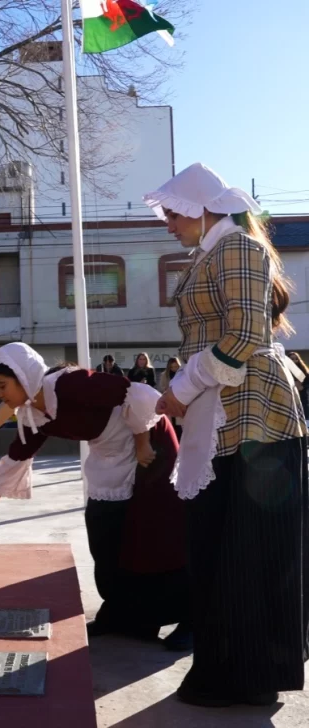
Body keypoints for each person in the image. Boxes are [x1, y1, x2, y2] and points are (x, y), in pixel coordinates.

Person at [145, 162, 309, 707]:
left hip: (252, 415)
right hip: (224, 412)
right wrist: (185, 388)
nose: (167, 223)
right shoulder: (215, 252)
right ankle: (230, 670)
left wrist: (180, 389)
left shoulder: (237, 247)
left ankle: (247, 677)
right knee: (221, 545)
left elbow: (244, 334)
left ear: (201, 208)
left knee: (246, 549)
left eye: (172, 212)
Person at [0, 342, 191, 651]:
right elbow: (12, 464)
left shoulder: (67, 384)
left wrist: (143, 441)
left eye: (2, 386)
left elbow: (138, 393)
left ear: (24, 377)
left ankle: (192, 618)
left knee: (156, 536)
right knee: (104, 533)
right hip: (111, 459)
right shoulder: (32, 416)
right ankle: (125, 616)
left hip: (150, 450)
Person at [288, 352, 309, 422]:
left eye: (296, 359)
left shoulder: (302, 370)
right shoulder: (286, 369)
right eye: (292, 359)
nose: (294, 361)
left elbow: (305, 381)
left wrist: (302, 386)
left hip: (302, 396)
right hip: (290, 396)